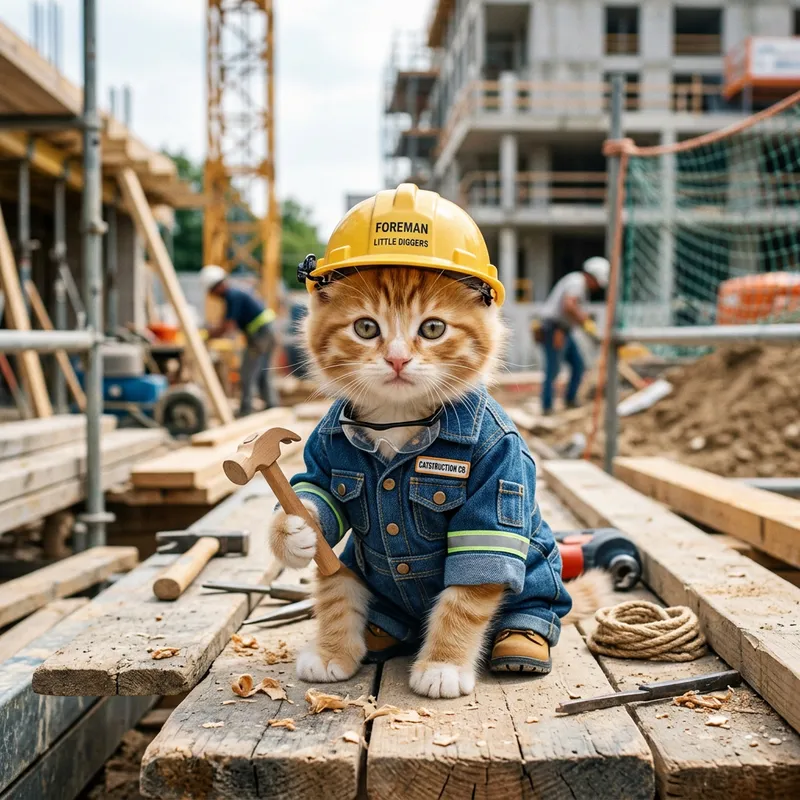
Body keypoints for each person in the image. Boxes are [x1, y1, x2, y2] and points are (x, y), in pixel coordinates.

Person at [200, 265, 278, 415]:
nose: (212, 295)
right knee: (262, 372)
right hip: (267, 332)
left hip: (260, 335)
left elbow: (228, 325)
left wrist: (208, 335)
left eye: (211, 291)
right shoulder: (235, 293)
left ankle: (246, 410)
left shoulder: (232, 296)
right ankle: (271, 405)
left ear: (217, 286)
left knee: (247, 372)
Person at [538, 256, 610, 414]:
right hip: (555, 329)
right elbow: (568, 305)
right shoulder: (576, 281)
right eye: (597, 282)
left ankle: (570, 399)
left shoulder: (579, 284)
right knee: (553, 369)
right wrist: (585, 320)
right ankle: (547, 406)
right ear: (593, 275)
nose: (596, 287)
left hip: (564, 330)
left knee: (578, 365)